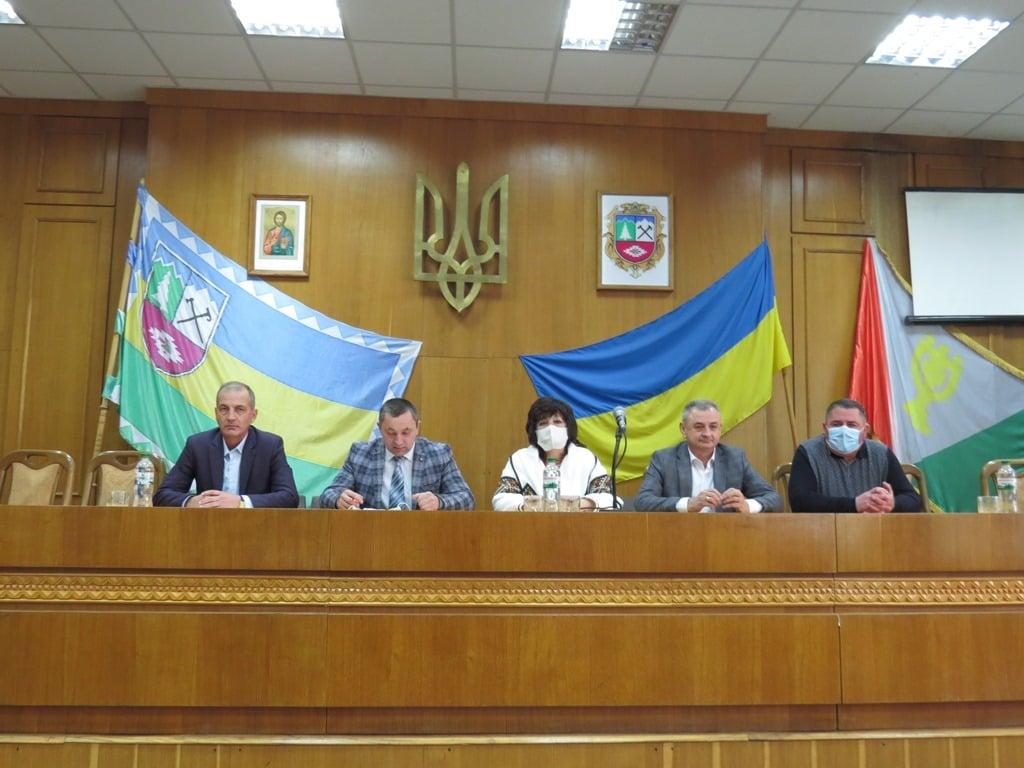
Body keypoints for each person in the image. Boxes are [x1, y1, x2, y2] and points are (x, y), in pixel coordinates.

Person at [153, 381, 299, 508]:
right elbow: (162, 495)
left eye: (239, 409)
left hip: (255, 526)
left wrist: (240, 502)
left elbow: (289, 497)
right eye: (224, 409)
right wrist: (191, 501)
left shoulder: (270, 445)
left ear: (253, 415)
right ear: (216, 414)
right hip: (208, 525)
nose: (231, 417)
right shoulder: (198, 445)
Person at [320, 397, 474, 510]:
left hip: (422, 533)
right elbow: (328, 494)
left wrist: (439, 502)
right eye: (391, 433)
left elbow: (466, 498)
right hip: (372, 533)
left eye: (406, 432)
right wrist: (339, 500)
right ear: (380, 428)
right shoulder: (360, 453)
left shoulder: (438, 454)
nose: (398, 441)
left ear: (417, 427)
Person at [635, 399, 781, 513]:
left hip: (724, 535)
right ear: (683, 429)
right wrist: (687, 504)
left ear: (720, 429)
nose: (707, 433)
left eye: (713, 427)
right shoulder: (663, 459)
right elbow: (642, 501)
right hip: (679, 533)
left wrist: (747, 506)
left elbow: (774, 499)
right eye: (699, 427)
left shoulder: (735, 458)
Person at [788, 398, 922, 513]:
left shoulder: (881, 453)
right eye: (836, 424)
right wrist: (855, 504)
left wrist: (892, 503)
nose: (844, 430)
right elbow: (799, 502)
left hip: (874, 530)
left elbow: (913, 499)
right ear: (825, 428)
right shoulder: (808, 452)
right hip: (823, 531)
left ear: (865, 430)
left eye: (852, 425)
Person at [492, 396, 616, 511]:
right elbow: (501, 500)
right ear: (534, 431)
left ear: (568, 427)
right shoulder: (520, 459)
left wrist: (575, 504)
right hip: (532, 525)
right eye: (543, 423)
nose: (550, 428)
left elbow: (609, 499)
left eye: (557, 422)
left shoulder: (586, 458)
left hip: (577, 525)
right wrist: (539, 505)